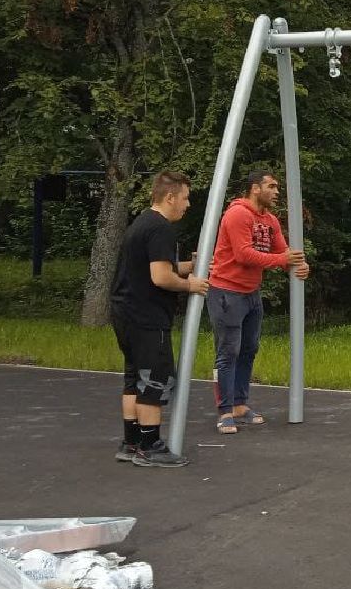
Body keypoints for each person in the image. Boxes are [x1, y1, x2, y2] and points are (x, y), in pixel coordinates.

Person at [111, 171, 209, 467]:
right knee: (156, 378)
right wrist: (190, 284)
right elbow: (160, 276)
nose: (188, 204)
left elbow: (157, 264)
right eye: (185, 197)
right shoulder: (160, 228)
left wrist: (188, 266)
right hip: (147, 316)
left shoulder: (142, 222)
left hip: (125, 311)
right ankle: (150, 445)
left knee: (134, 379)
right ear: (170, 197)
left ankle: (131, 442)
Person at [206, 168, 309, 433]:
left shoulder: (270, 220)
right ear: (255, 188)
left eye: (277, 188)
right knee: (228, 352)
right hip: (227, 292)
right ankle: (225, 411)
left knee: (249, 348)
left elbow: (283, 252)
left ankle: (240, 404)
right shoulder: (238, 214)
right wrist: (283, 261)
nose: (276, 192)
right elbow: (243, 255)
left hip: (251, 294)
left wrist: (298, 265)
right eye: (272, 187)